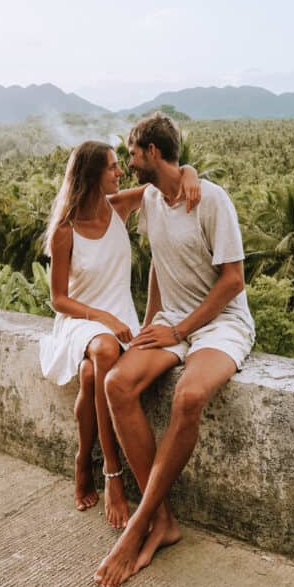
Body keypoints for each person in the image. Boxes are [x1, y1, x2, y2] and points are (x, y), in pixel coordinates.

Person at [94, 113, 255, 587]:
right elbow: (155, 263)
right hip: (172, 323)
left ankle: (139, 525)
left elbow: (233, 281)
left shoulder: (211, 200)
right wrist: (151, 324)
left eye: (133, 153)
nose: (127, 162)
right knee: (117, 384)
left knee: (187, 397)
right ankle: (161, 518)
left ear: (154, 153)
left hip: (220, 323)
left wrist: (181, 328)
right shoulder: (149, 198)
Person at [40, 140, 201, 529]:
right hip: (82, 321)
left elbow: (164, 183)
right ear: (92, 175)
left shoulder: (119, 208)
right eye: (112, 167)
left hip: (122, 323)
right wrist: (101, 317)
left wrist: (192, 173)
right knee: (103, 350)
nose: (120, 172)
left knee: (95, 373)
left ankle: (83, 459)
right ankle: (112, 474)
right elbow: (59, 299)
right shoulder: (66, 230)